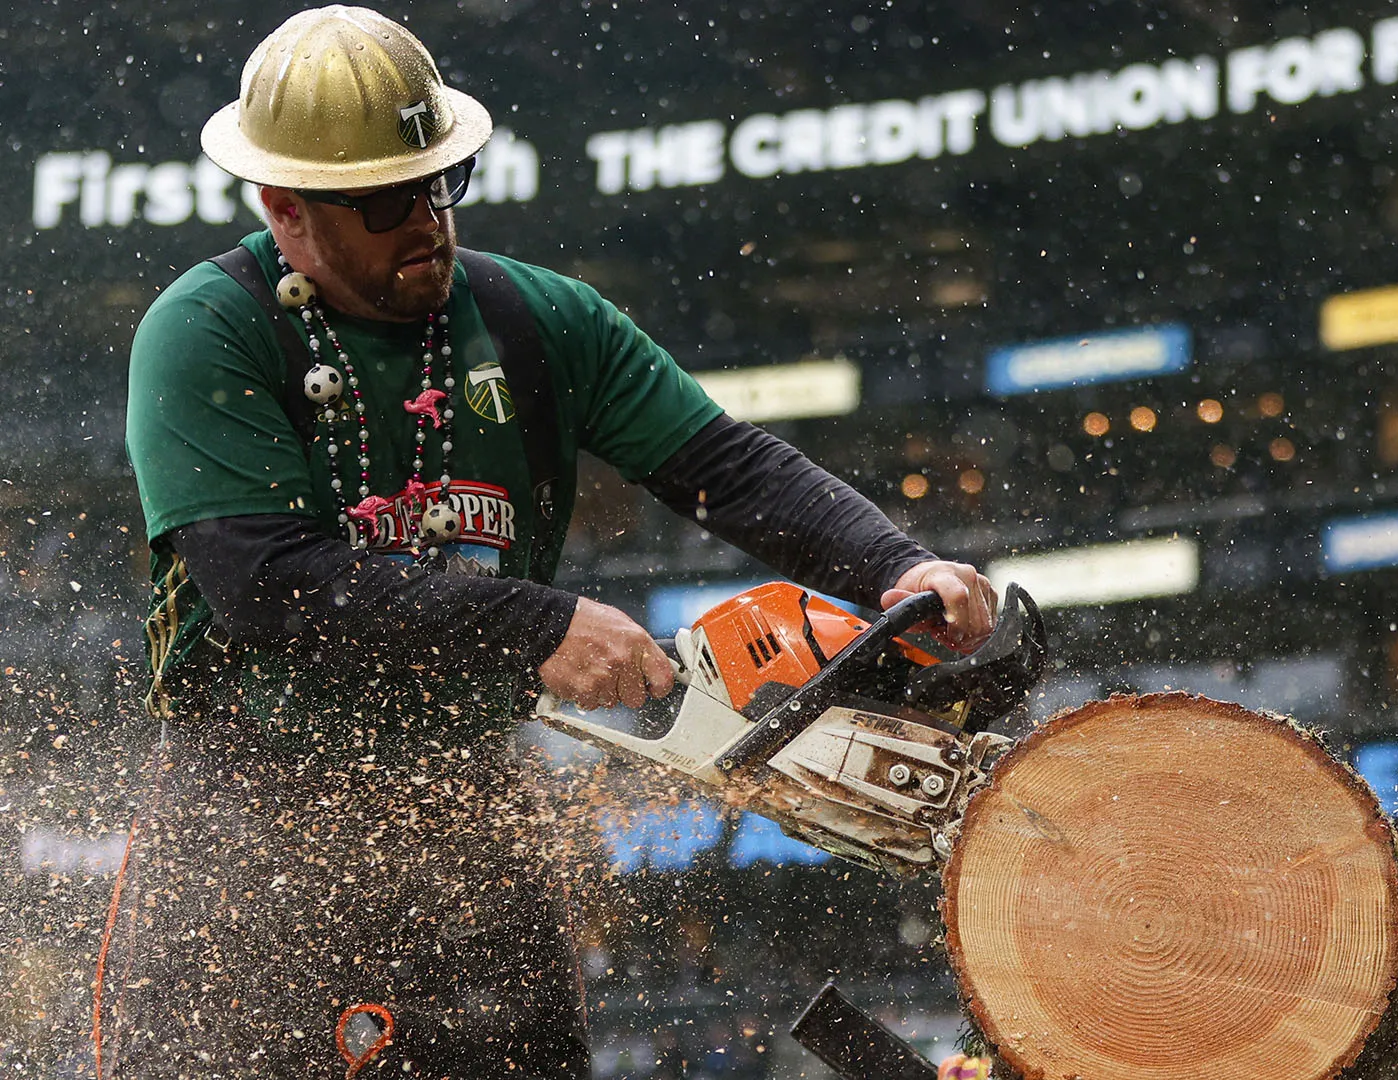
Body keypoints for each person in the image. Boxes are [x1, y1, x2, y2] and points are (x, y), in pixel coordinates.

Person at [103, 7, 995, 1078]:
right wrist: (539, 625)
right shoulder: (208, 330)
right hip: (248, 825)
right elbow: (269, 587)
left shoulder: (539, 319)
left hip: (467, 798)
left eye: (442, 183)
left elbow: (728, 467)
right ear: (285, 209)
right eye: (388, 202)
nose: (428, 220)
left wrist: (893, 564)